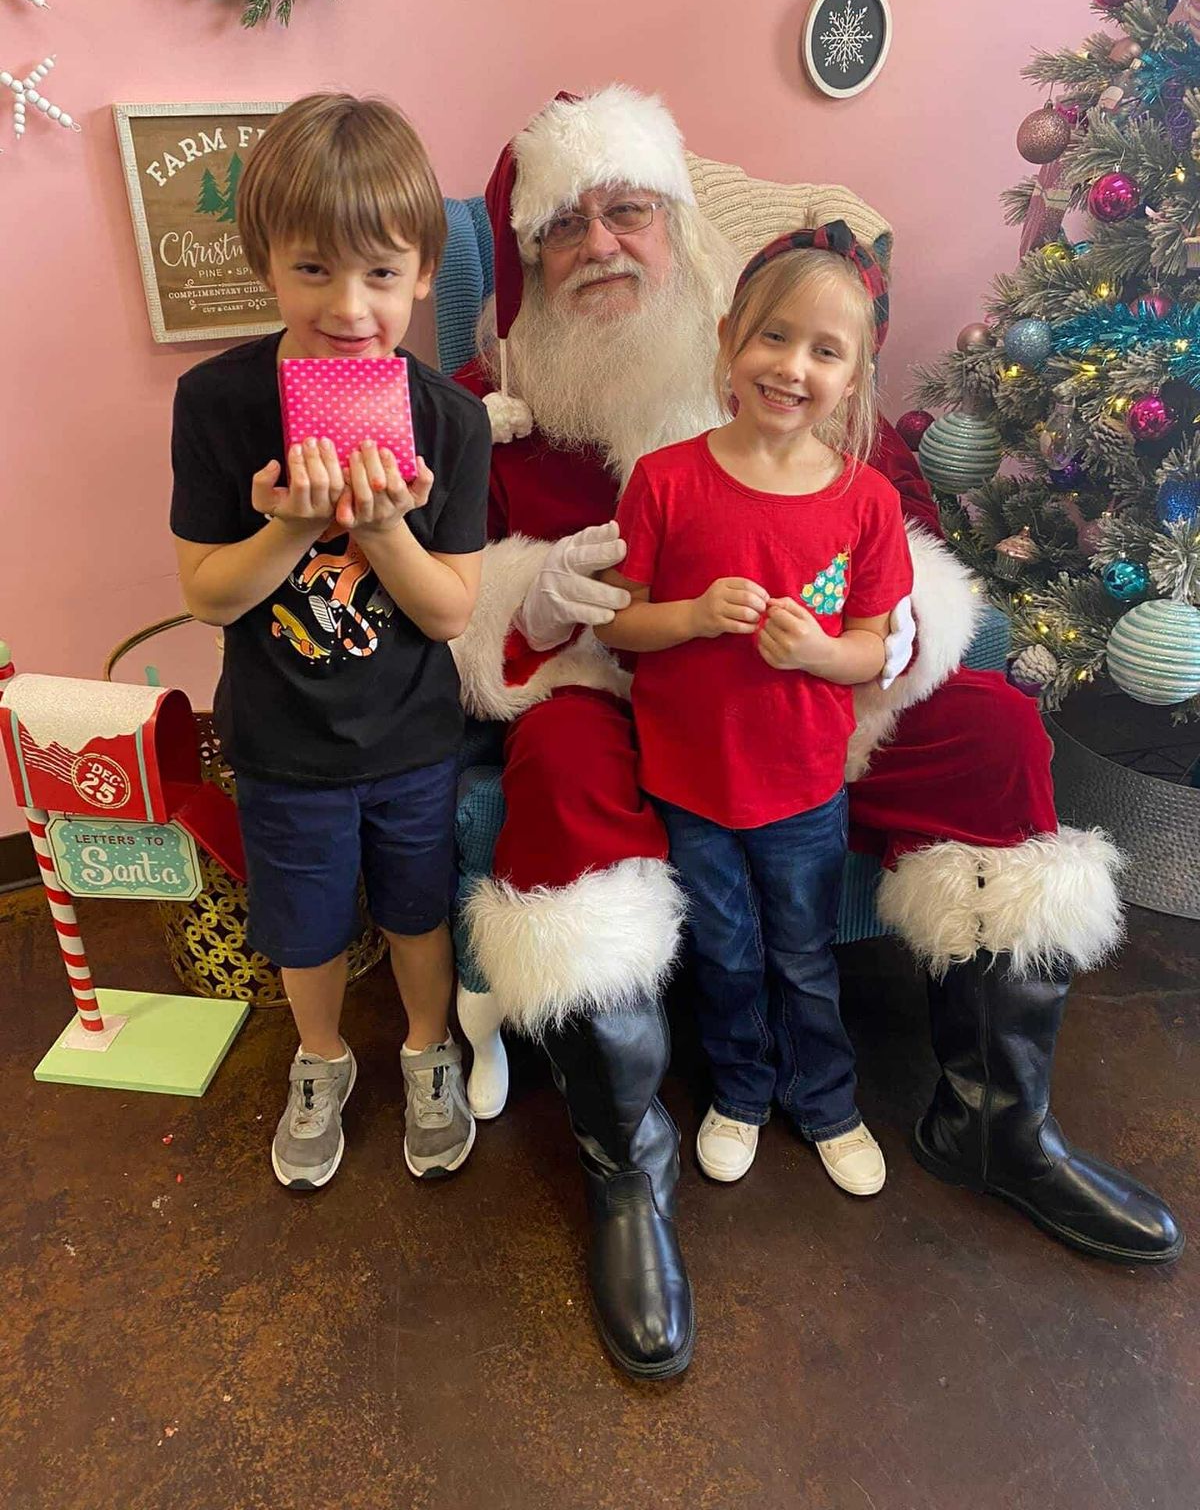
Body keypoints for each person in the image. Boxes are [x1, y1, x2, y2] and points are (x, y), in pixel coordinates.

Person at [451, 86, 1181, 1379]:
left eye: (631, 212)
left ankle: (992, 1117)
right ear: (527, 260)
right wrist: (532, 598)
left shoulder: (793, 360)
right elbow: (446, 596)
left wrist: (886, 647)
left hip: (812, 709)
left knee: (1001, 730)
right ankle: (629, 1169)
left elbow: (900, 539)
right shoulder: (486, 408)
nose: (604, 246)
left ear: (681, 239)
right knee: (555, 770)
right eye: (568, 227)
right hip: (626, 708)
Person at [170, 93, 491, 1190]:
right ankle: (320, 1058)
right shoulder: (217, 403)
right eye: (314, 270)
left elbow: (450, 611)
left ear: (420, 273)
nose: (350, 307)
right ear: (266, 263)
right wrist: (292, 525)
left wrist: (387, 526)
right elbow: (209, 594)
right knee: (303, 925)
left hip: (409, 733)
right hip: (280, 739)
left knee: (417, 908)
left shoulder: (448, 418)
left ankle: (425, 1048)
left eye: (382, 275)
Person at [596, 225, 909, 1196]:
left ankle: (829, 1101)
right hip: (692, 784)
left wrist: (818, 651)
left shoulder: (866, 501)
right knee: (726, 955)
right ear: (730, 339)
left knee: (806, 958)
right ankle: (739, 1089)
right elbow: (619, 628)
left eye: (825, 350)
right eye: (774, 337)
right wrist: (687, 616)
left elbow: (874, 649)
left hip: (804, 788)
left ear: (854, 379)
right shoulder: (665, 479)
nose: (793, 366)